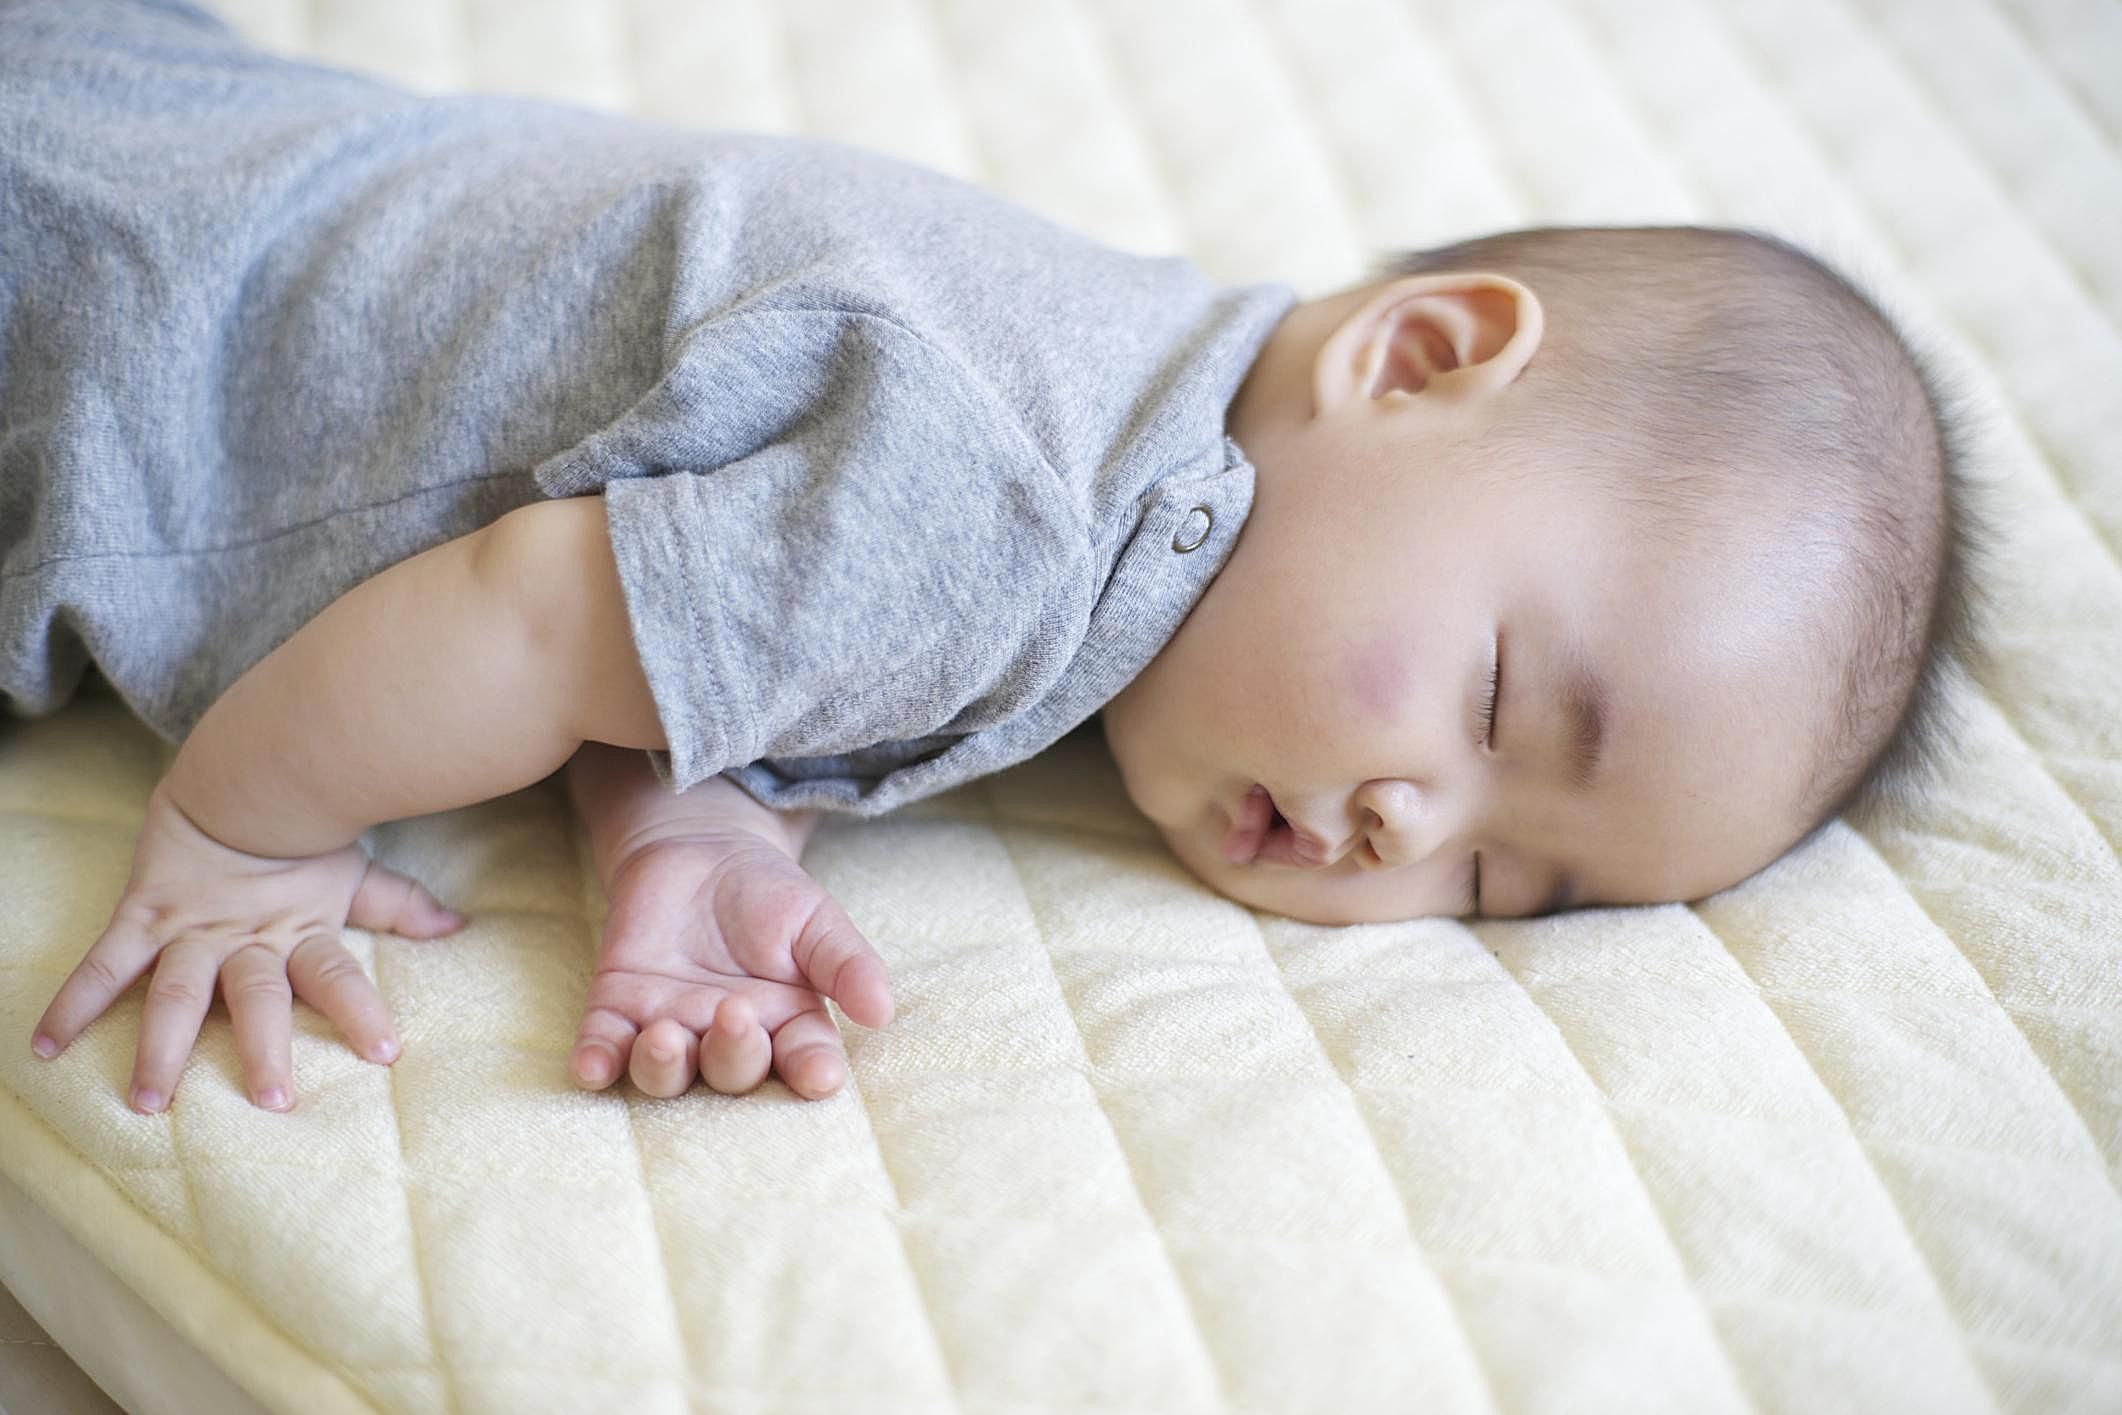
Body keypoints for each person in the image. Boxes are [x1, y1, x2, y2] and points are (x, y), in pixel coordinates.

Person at [6, 0, 1977, 1113]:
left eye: (1502, 883)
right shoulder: (1023, 518)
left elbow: (681, 589)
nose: (1407, 829)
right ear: (1413, 361)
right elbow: (525, 620)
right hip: (95, 321)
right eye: (1487, 705)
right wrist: (248, 836)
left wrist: (699, 821)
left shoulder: (1119, 384)